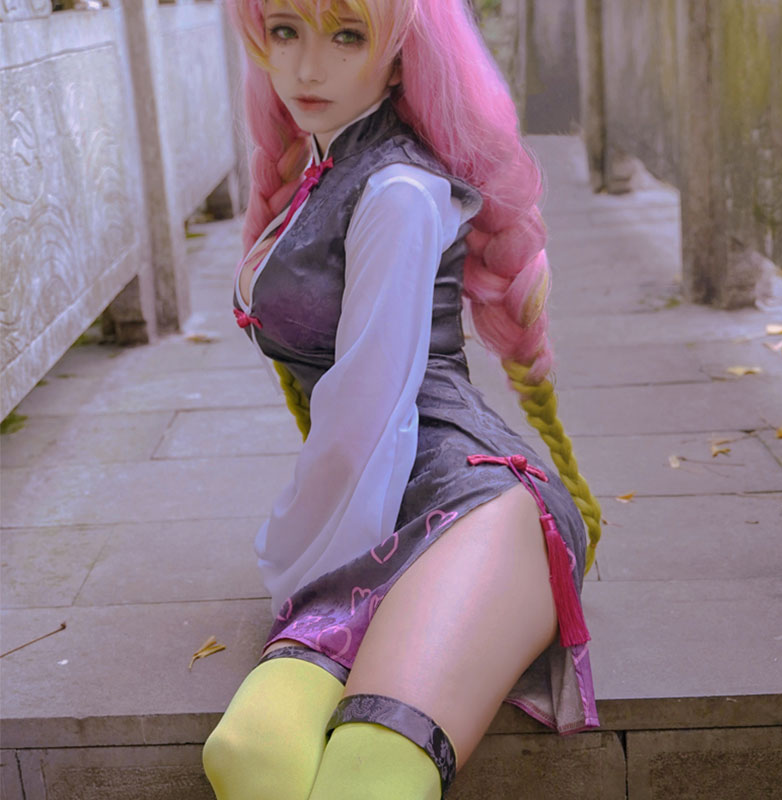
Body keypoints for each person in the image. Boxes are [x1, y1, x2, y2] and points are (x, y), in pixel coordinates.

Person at [203, 0, 603, 797]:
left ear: (399, 56)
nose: (307, 67)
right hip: (376, 503)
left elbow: (367, 411)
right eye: (285, 30)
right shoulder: (322, 169)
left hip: (474, 503)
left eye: (347, 35)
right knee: (246, 753)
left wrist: (299, 564)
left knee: (372, 768)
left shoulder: (399, 189)